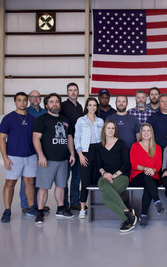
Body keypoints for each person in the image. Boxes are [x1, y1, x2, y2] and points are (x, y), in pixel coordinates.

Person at [33, 93, 76, 224]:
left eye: (57, 101)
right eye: (51, 102)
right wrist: (40, 155)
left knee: (61, 186)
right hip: (47, 160)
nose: (55, 104)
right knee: (43, 187)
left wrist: (72, 154)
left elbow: (69, 138)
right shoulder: (42, 119)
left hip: (63, 159)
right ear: (46, 105)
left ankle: (61, 209)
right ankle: (40, 212)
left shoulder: (65, 119)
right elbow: (36, 138)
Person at [0, 92, 37, 223]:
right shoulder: (8, 118)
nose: (22, 103)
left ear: (27, 102)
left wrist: (37, 155)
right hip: (13, 156)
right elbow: (2, 139)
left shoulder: (32, 119)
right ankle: (7, 210)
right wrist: (5, 158)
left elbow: (36, 139)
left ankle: (31, 207)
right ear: (15, 102)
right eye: (19, 100)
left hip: (30, 155)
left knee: (30, 182)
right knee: (10, 182)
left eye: (24, 100)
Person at [97, 120, 136, 232]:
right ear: (104, 130)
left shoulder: (121, 143)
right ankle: (128, 214)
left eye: (113, 128)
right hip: (105, 177)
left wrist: (114, 175)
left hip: (121, 177)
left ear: (115, 130)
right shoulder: (100, 146)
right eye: (108, 128)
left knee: (104, 197)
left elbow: (126, 164)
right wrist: (105, 174)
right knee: (104, 186)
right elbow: (99, 165)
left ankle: (126, 218)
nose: (110, 130)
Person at [129, 123, 164, 227]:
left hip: (153, 176)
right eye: (143, 131)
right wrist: (145, 168)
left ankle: (143, 216)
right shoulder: (135, 146)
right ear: (140, 133)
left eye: (148, 131)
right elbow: (134, 165)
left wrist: (152, 170)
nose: (146, 133)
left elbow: (158, 165)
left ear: (151, 133)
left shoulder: (157, 147)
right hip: (137, 176)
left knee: (148, 185)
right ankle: (157, 202)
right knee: (147, 178)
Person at [74, 97, 104, 219]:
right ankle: (82, 208)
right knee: (85, 180)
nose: (92, 107)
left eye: (94, 105)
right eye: (90, 105)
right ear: (86, 106)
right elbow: (77, 138)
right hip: (86, 152)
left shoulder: (101, 121)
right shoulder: (81, 121)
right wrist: (80, 154)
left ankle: (97, 206)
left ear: (97, 107)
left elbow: (104, 137)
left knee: (97, 179)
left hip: (98, 151)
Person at [20, 90, 47, 214]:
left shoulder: (44, 112)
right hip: (28, 150)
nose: (35, 99)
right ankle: (26, 205)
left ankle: (37, 204)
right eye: (33, 97)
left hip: (42, 149)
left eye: (37, 97)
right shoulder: (25, 112)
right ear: (29, 99)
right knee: (27, 179)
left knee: (39, 179)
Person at [60, 82, 83, 211]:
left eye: (75, 90)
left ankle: (75, 201)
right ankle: (64, 202)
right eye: (70, 90)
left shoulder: (80, 107)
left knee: (77, 176)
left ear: (78, 92)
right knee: (64, 176)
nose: (73, 92)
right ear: (67, 92)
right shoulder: (62, 106)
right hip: (65, 145)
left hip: (78, 145)